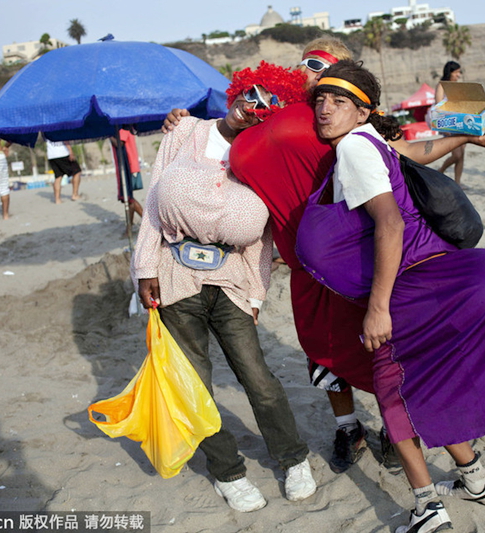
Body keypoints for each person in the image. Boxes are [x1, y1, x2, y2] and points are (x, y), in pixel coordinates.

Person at [164, 38, 485, 475]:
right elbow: (224, 142)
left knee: (381, 352)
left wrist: (467, 136)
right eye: (304, 61)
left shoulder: (338, 124)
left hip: (349, 258)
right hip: (301, 261)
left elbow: (403, 154)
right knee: (321, 351)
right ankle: (349, 428)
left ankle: (425, 443)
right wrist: (186, 121)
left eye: (321, 64)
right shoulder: (274, 110)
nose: (310, 70)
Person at [299, 60, 485, 533]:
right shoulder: (369, 142)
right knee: (435, 377)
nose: (324, 109)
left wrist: (379, 307)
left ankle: (426, 507)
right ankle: (478, 480)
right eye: (319, 100)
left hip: (411, 285)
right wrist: (465, 137)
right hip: (439, 267)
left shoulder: (352, 152)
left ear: (363, 112)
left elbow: (390, 223)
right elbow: (416, 152)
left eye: (338, 101)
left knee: (392, 390)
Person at [133, 62, 315, 513]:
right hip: (175, 274)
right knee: (195, 383)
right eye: (251, 94)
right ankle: (227, 471)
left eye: (267, 107)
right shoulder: (184, 131)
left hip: (233, 279)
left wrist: (256, 293)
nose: (253, 107)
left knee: (258, 378)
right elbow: (154, 201)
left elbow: (268, 234)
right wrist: (143, 268)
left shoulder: (264, 156)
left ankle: (292, 458)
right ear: (238, 89)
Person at [434, 61, 467, 186]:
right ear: (450, 72)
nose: (458, 75)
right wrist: (444, 125)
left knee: (462, 154)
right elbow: (438, 105)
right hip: (449, 122)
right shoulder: (442, 85)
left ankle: (458, 182)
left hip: (461, 122)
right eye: (456, 72)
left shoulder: (458, 86)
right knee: (457, 154)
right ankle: (440, 171)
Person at [111, 129, 144, 229]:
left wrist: (108, 135)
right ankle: (129, 227)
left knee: (129, 198)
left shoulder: (122, 127)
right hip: (127, 166)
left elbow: (119, 142)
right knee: (128, 198)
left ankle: (148, 223)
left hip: (129, 166)